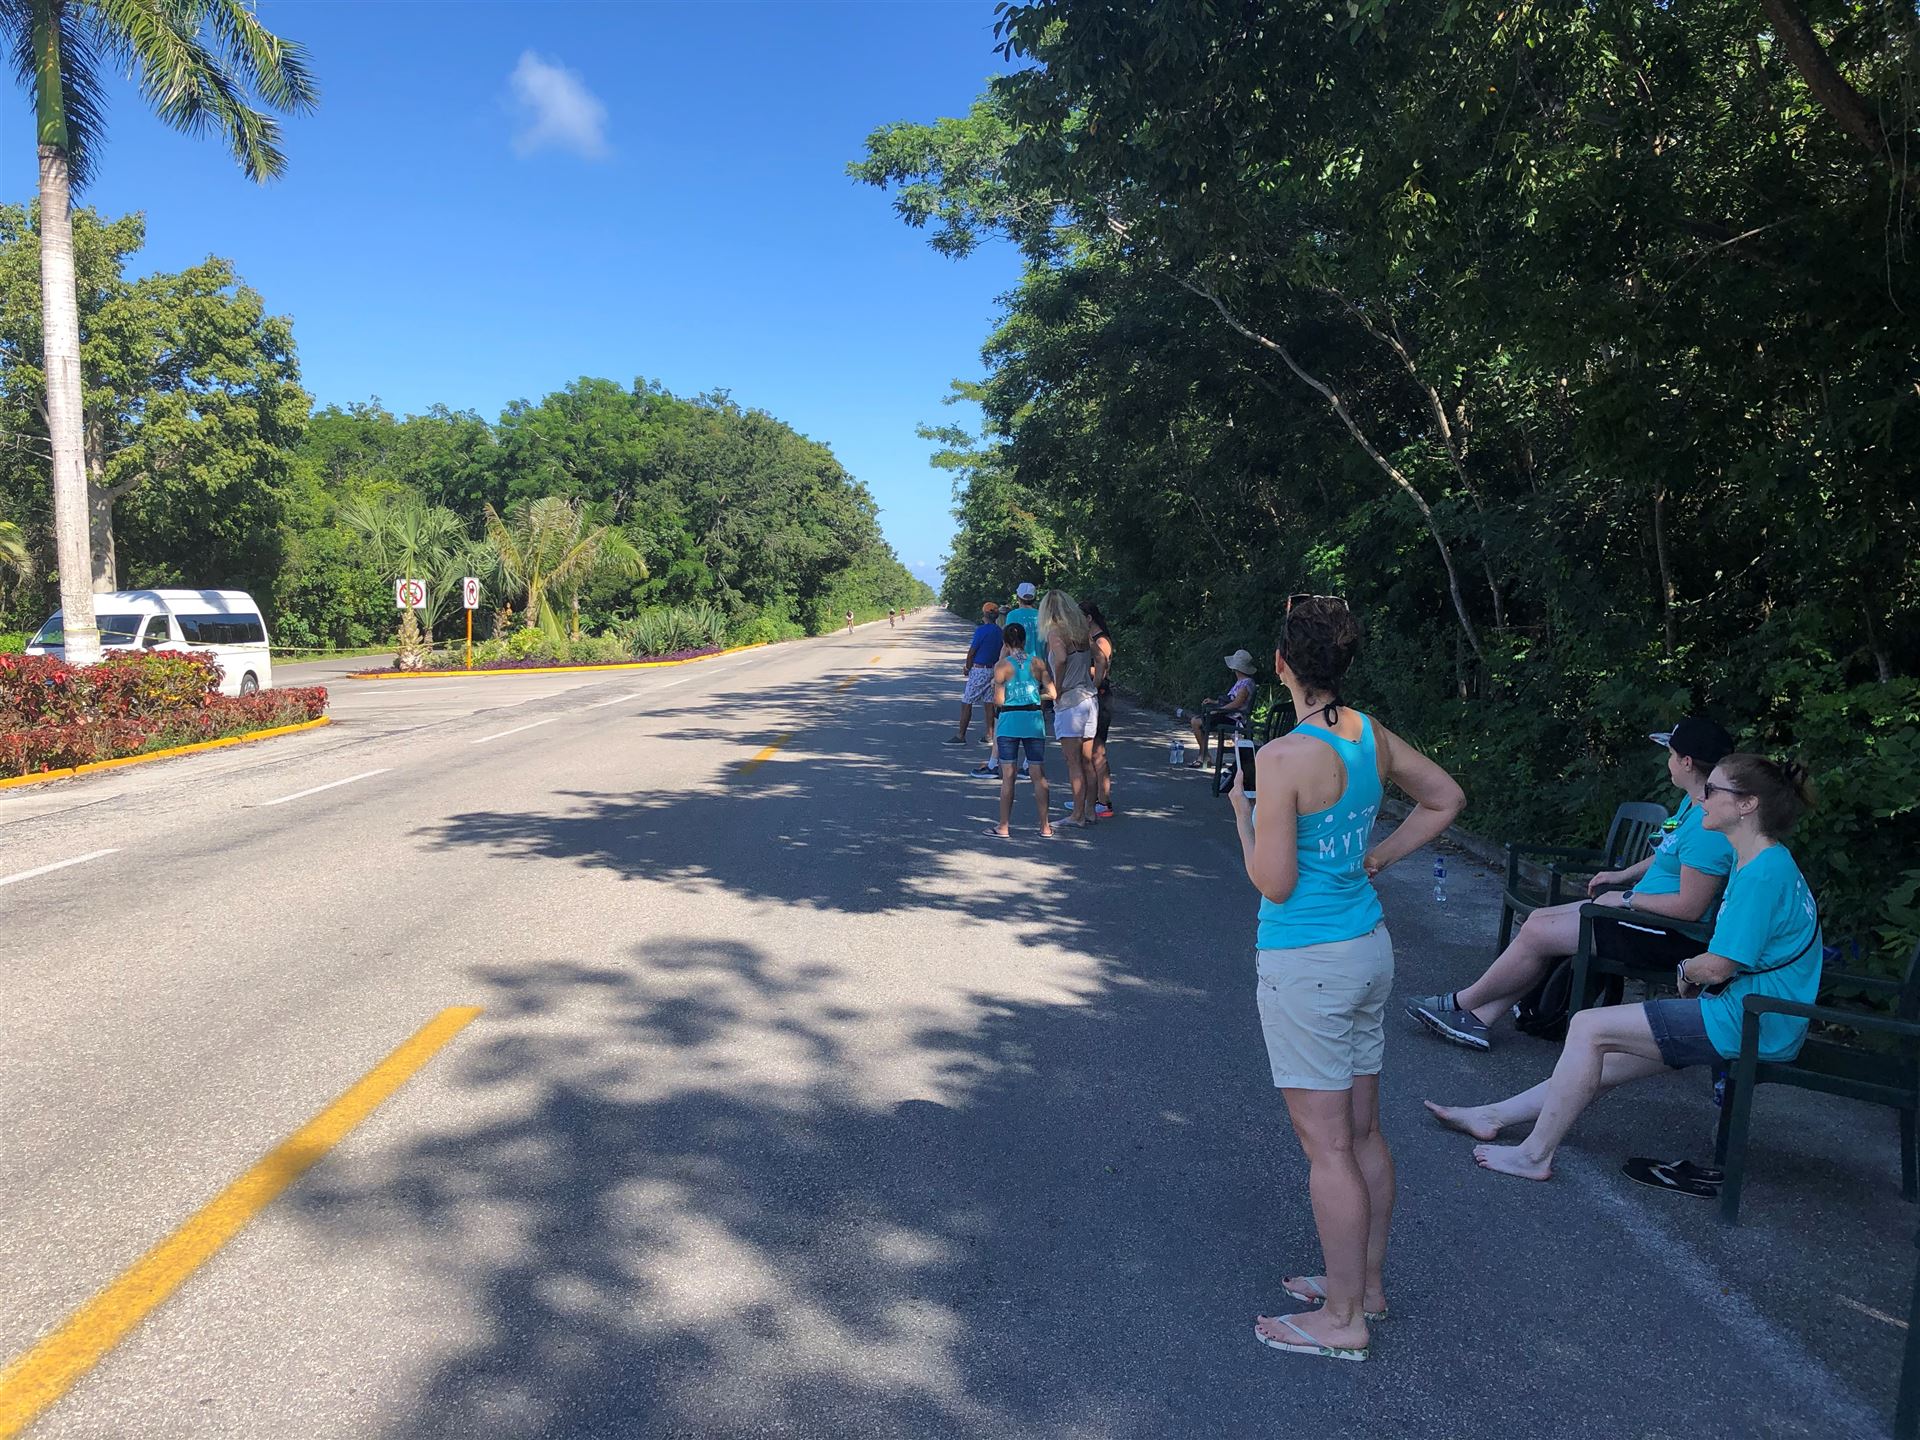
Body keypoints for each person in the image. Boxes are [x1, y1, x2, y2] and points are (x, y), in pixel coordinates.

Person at [1227, 596, 1465, 1362]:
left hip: (1309, 963)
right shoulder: (1370, 734)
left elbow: (1274, 882)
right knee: (1362, 1133)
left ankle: (1342, 1320)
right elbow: (1446, 798)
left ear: (1282, 665)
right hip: (1366, 949)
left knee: (1327, 1147)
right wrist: (1380, 856)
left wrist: (1243, 816)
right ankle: (1365, 1287)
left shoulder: (1281, 758)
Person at [1424, 753, 1822, 1183]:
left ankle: (1534, 1156)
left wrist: (1686, 970)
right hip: (1754, 1013)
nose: (1702, 799)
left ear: (1746, 804)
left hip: (1752, 1021)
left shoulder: (1762, 874)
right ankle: (1493, 1116)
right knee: (1608, 1053)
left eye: (1712, 790)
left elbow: (1719, 966)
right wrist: (1696, 973)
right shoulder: (1765, 861)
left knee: (1589, 1027)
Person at [1406, 717, 1737, 1050]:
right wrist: (1621, 876)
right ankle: (1479, 1018)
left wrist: (1625, 898)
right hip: (1643, 917)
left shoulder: (1708, 829)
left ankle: (1460, 1003)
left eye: (1670, 754)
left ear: (1687, 762)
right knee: (1537, 922)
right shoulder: (1693, 805)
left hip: (1669, 935)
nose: (1667, 761)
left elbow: (1690, 909)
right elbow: (1669, 854)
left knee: (1539, 932)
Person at [988, 621, 1055, 839]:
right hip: (1033, 720)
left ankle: (1003, 826)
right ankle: (1045, 826)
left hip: (1009, 721)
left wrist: (1000, 688)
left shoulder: (1002, 666)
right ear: (1025, 640)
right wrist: (1034, 696)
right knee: (1038, 774)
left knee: (1008, 776)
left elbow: (999, 701)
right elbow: (1052, 693)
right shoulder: (1037, 663)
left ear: (1005, 643)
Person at [1040, 589, 1100, 827]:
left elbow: (1061, 659)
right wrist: (1095, 682)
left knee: (1073, 762)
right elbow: (1101, 658)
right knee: (1087, 761)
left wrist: (1057, 688)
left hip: (1071, 701)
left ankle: (1076, 815)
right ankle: (1090, 810)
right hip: (1089, 698)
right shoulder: (1082, 631)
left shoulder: (1056, 632)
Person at [1188, 650, 1258, 768]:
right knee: (1200, 720)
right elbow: (1231, 700)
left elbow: (1236, 704)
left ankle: (1204, 756)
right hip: (1230, 714)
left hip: (1234, 718)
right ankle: (1205, 756)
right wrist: (1214, 702)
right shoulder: (1243, 682)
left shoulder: (1245, 684)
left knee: (1196, 722)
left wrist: (1219, 710)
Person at [948, 602, 1003, 746]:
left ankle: (961, 735)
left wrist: (967, 668)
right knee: (989, 702)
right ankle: (989, 735)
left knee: (967, 701)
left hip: (979, 670)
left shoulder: (981, 630)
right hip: (993, 670)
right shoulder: (1000, 631)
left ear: (984, 614)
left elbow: (972, 652)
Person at [1082, 600, 1116, 819]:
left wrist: (1080, 671)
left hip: (1101, 696)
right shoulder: (1091, 639)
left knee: (1098, 751)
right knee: (1091, 751)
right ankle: (1091, 799)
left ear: (1089, 618)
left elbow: (1102, 669)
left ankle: (1104, 801)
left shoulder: (1101, 640)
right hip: (1093, 695)